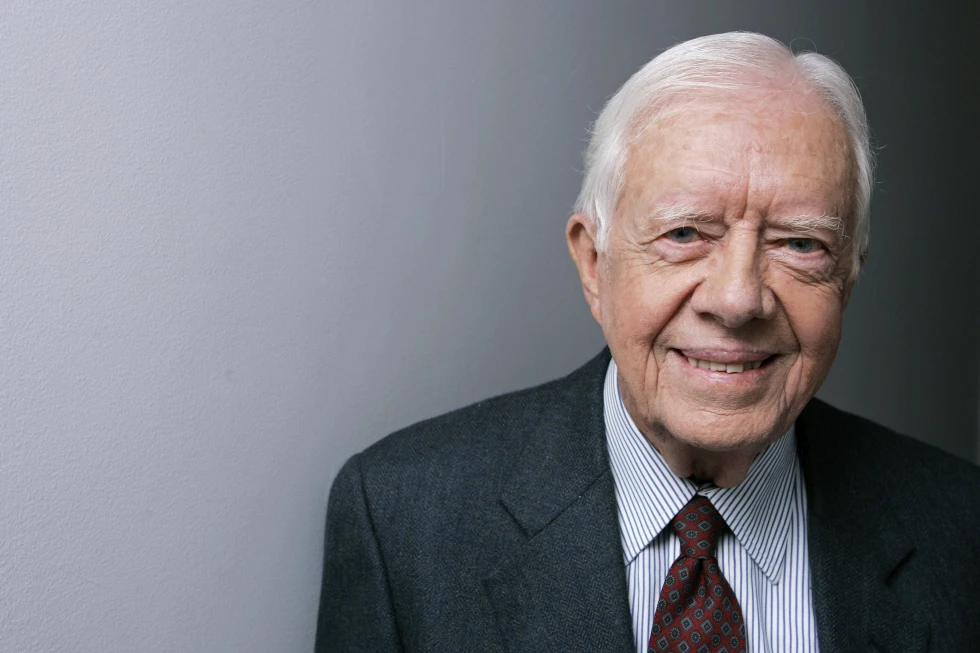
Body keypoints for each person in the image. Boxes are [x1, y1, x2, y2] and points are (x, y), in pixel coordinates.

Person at [315, 32, 980, 653]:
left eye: (800, 244)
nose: (737, 298)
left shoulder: (960, 528)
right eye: (685, 234)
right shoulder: (403, 520)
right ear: (593, 264)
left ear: (848, 274)